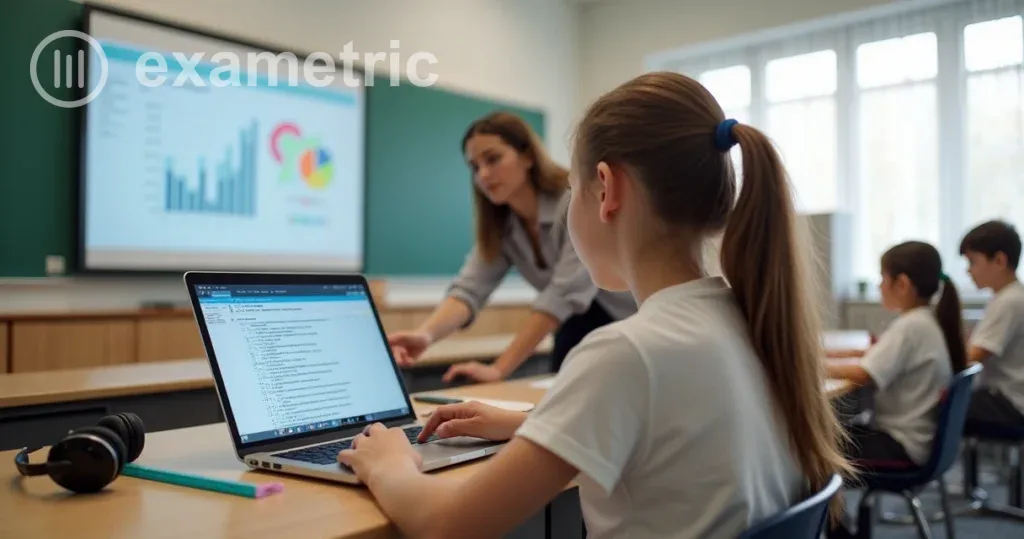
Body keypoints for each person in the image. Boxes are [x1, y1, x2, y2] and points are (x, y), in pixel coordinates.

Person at [335, 72, 850, 539]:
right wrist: (534, 425)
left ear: (605, 189)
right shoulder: (748, 321)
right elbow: (664, 430)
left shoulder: (624, 355)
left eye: (576, 190)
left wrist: (389, 463)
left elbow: (445, 525)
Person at [388, 111, 636, 384]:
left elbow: (563, 294)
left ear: (528, 156)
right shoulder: (502, 226)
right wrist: (426, 335)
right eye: (474, 166)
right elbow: (469, 288)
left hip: (631, 325)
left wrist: (499, 368)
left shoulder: (574, 201)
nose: (483, 174)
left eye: (493, 159)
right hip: (574, 327)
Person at [825, 241, 964, 539]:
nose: (879, 285)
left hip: (902, 446)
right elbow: (873, 361)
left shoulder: (911, 327)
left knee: (810, 453)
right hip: (915, 439)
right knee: (819, 441)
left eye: (882, 278)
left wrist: (808, 366)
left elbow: (864, 373)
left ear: (902, 283)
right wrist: (828, 359)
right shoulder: (923, 322)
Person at [960, 220, 1024, 433]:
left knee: (934, 404)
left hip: (1009, 402)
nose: (968, 271)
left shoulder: (1009, 301)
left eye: (973, 262)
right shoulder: (1009, 296)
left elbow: (973, 355)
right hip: (1006, 397)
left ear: (999, 260)